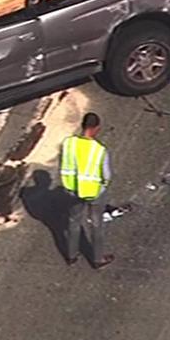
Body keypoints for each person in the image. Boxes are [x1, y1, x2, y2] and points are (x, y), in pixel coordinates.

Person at [61, 112, 114, 269]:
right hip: (94, 192)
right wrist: (102, 187)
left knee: (73, 222)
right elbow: (107, 175)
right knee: (97, 224)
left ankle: (71, 255)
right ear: (97, 128)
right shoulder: (98, 150)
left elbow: (65, 164)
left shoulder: (69, 143)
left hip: (72, 190)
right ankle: (98, 259)